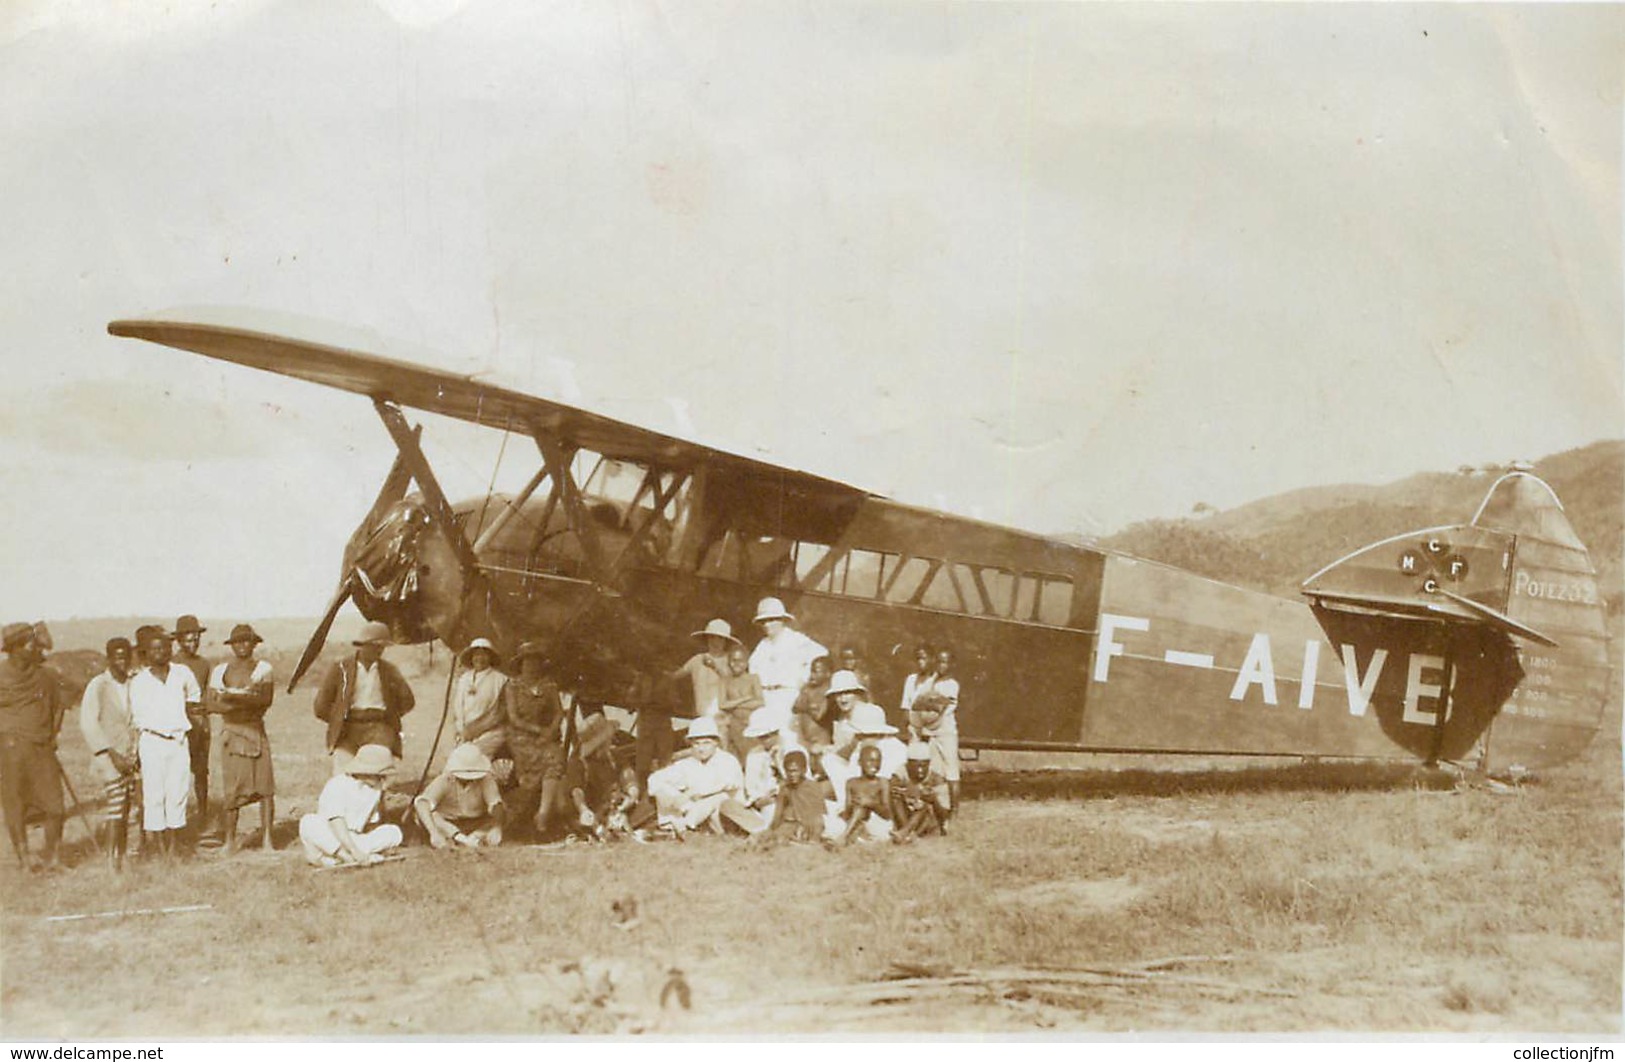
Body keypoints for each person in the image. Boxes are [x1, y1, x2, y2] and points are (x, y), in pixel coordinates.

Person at [129, 623, 202, 858]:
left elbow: (194, 701)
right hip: (152, 742)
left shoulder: (183, 673)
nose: (161, 652)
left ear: (171, 649)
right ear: (146, 653)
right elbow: (137, 719)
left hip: (179, 741)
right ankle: (159, 849)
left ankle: (174, 847)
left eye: (165, 648)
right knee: (154, 795)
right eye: (155, 649)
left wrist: (193, 728)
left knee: (177, 794)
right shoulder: (139, 681)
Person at [0, 622, 66, 869]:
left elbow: (58, 707)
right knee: (15, 805)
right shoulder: (1, 675)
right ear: (15, 648)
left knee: (56, 807)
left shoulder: (44, 675)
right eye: (29, 644)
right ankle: (24, 859)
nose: (35, 648)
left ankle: (53, 857)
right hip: (10, 751)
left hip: (42, 747)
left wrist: (52, 734)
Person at [207, 624, 276, 853]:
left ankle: (268, 840)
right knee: (232, 789)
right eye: (238, 642)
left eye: (247, 641)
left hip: (255, 730)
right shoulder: (220, 671)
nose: (242, 646)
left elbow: (264, 701)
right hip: (232, 733)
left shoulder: (263, 669)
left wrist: (230, 699)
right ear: (232, 645)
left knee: (265, 787)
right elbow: (210, 704)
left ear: (254, 644)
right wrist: (242, 699)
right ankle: (229, 841)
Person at [314, 621, 415, 775]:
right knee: (343, 775)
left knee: (376, 773)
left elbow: (407, 701)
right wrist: (338, 719)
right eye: (375, 646)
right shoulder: (340, 668)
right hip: (346, 729)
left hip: (379, 728)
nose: (379, 650)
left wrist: (388, 716)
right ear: (362, 645)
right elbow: (320, 707)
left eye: (382, 647)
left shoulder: (389, 670)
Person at [79, 636, 138, 869]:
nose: (122, 662)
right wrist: (112, 754)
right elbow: (88, 723)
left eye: (126, 657)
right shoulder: (98, 685)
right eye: (117, 657)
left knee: (130, 806)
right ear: (109, 658)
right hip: (109, 756)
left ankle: (126, 853)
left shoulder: (134, 682)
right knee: (116, 803)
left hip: (132, 754)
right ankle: (113, 860)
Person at [646, 716, 759, 836]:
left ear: (716, 743)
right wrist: (672, 798)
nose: (701, 749)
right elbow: (655, 779)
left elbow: (727, 784)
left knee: (719, 798)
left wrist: (691, 793)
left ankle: (684, 826)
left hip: (727, 813)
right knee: (663, 788)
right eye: (696, 744)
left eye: (706, 743)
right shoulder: (688, 763)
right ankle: (674, 827)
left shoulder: (727, 760)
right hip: (699, 812)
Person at [653, 618, 736, 774]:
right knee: (700, 756)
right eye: (712, 637)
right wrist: (659, 673)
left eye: (719, 638)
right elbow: (677, 675)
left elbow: (732, 681)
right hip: (701, 716)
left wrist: (715, 666)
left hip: (721, 717)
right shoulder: (697, 659)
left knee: (722, 754)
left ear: (725, 641)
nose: (715, 642)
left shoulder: (729, 660)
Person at [298, 744, 403, 867]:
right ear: (369, 772)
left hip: (355, 837)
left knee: (394, 832)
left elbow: (371, 824)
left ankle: (338, 859)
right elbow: (336, 822)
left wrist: (379, 842)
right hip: (331, 836)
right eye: (381, 776)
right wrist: (354, 850)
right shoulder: (338, 784)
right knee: (309, 822)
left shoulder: (375, 789)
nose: (383, 780)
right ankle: (344, 856)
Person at [503, 642, 566, 839]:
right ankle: (533, 813)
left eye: (535, 661)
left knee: (555, 756)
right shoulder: (512, 686)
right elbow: (513, 717)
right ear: (520, 664)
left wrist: (550, 731)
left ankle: (543, 813)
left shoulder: (548, 685)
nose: (531, 666)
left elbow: (558, 713)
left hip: (546, 735)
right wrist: (538, 730)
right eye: (527, 662)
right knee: (535, 761)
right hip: (521, 736)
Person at [747, 597, 826, 741]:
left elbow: (821, 656)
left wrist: (804, 681)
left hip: (787, 696)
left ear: (782, 620)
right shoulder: (762, 645)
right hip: (765, 696)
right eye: (763, 621)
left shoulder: (796, 640)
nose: (767, 624)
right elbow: (753, 671)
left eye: (771, 619)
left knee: (787, 737)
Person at [414, 743, 506, 849]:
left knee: (500, 815)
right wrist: (433, 833)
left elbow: (495, 804)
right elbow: (422, 803)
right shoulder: (445, 780)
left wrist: (497, 827)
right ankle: (461, 839)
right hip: (447, 822)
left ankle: (474, 838)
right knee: (433, 817)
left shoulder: (486, 780)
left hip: (476, 822)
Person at [171, 615, 214, 828]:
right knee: (177, 773)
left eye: (196, 639)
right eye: (188, 639)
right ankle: (177, 818)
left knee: (201, 771)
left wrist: (205, 712)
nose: (193, 643)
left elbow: (207, 694)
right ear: (178, 640)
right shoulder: (172, 664)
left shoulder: (204, 664)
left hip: (200, 724)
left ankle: (203, 814)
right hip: (178, 725)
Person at [758, 748, 832, 845]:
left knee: (817, 826)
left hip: (810, 824)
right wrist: (771, 830)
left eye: (795, 771)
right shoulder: (785, 788)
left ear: (804, 770)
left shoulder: (813, 786)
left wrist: (805, 828)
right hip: (790, 824)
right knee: (777, 839)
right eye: (789, 771)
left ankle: (809, 842)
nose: (792, 774)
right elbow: (778, 814)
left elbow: (818, 814)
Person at [451, 638, 507, 759]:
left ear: (490, 657)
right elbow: (457, 709)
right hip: (465, 733)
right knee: (456, 763)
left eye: (484, 654)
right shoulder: (464, 679)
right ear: (471, 657)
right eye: (476, 655)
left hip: (490, 732)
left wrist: (478, 729)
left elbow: (500, 713)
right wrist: (462, 730)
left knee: (473, 759)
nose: (480, 658)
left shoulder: (500, 680)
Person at [831, 744, 893, 846]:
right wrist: (854, 805)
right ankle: (852, 835)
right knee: (857, 809)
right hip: (858, 821)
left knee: (863, 807)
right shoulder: (851, 782)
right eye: (870, 760)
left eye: (878, 761)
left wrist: (870, 803)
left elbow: (887, 814)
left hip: (877, 822)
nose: (874, 764)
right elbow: (848, 811)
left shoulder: (882, 782)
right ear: (860, 762)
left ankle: (843, 838)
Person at [890, 743, 951, 842]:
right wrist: (907, 792)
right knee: (896, 797)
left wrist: (934, 800)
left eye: (924, 766)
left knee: (925, 803)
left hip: (929, 820)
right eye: (915, 766)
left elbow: (945, 815)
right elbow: (892, 791)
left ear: (929, 764)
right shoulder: (901, 772)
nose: (920, 770)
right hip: (907, 814)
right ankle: (907, 832)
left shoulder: (937, 779)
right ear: (908, 764)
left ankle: (905, 833)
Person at [717, 644, 764, 757]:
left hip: (752, 722)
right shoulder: (725, 680)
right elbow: (722, 705)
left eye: (741, 661)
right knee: (736, 755)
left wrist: (733, 704)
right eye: (733, 660)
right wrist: (745, 698)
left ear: (747, 662)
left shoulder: (753, 678)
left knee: (754, 755)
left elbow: (760, 702)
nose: (737, 664)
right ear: (729, 662)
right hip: (734, 724)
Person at [739, 709, 783, 823]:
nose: (763, 740)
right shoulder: (754, 754)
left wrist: (776, 760)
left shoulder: (793, 750)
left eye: (766, 736)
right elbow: (751, 785)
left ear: (776, 732)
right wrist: (758, 801)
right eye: (760, 737)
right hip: (763, 802)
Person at [790, 655, 833, 748]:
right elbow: (794, 708)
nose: (811, 676)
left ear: (828, 674)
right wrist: (809, 706)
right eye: (811, 671)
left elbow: (819, 715)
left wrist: (805, 705)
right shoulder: (807, 688)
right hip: (804, 739)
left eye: (816, 672)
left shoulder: (829, 691)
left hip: (821, 739)